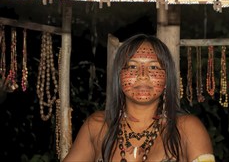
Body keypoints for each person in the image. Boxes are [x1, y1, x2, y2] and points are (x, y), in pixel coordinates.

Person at [63, 34, 215, 162]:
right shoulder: (97, 126)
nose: (143, 75)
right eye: (132, 66)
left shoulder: (187, 129)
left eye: (154, 67)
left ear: (167, 78)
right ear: (119, 76)